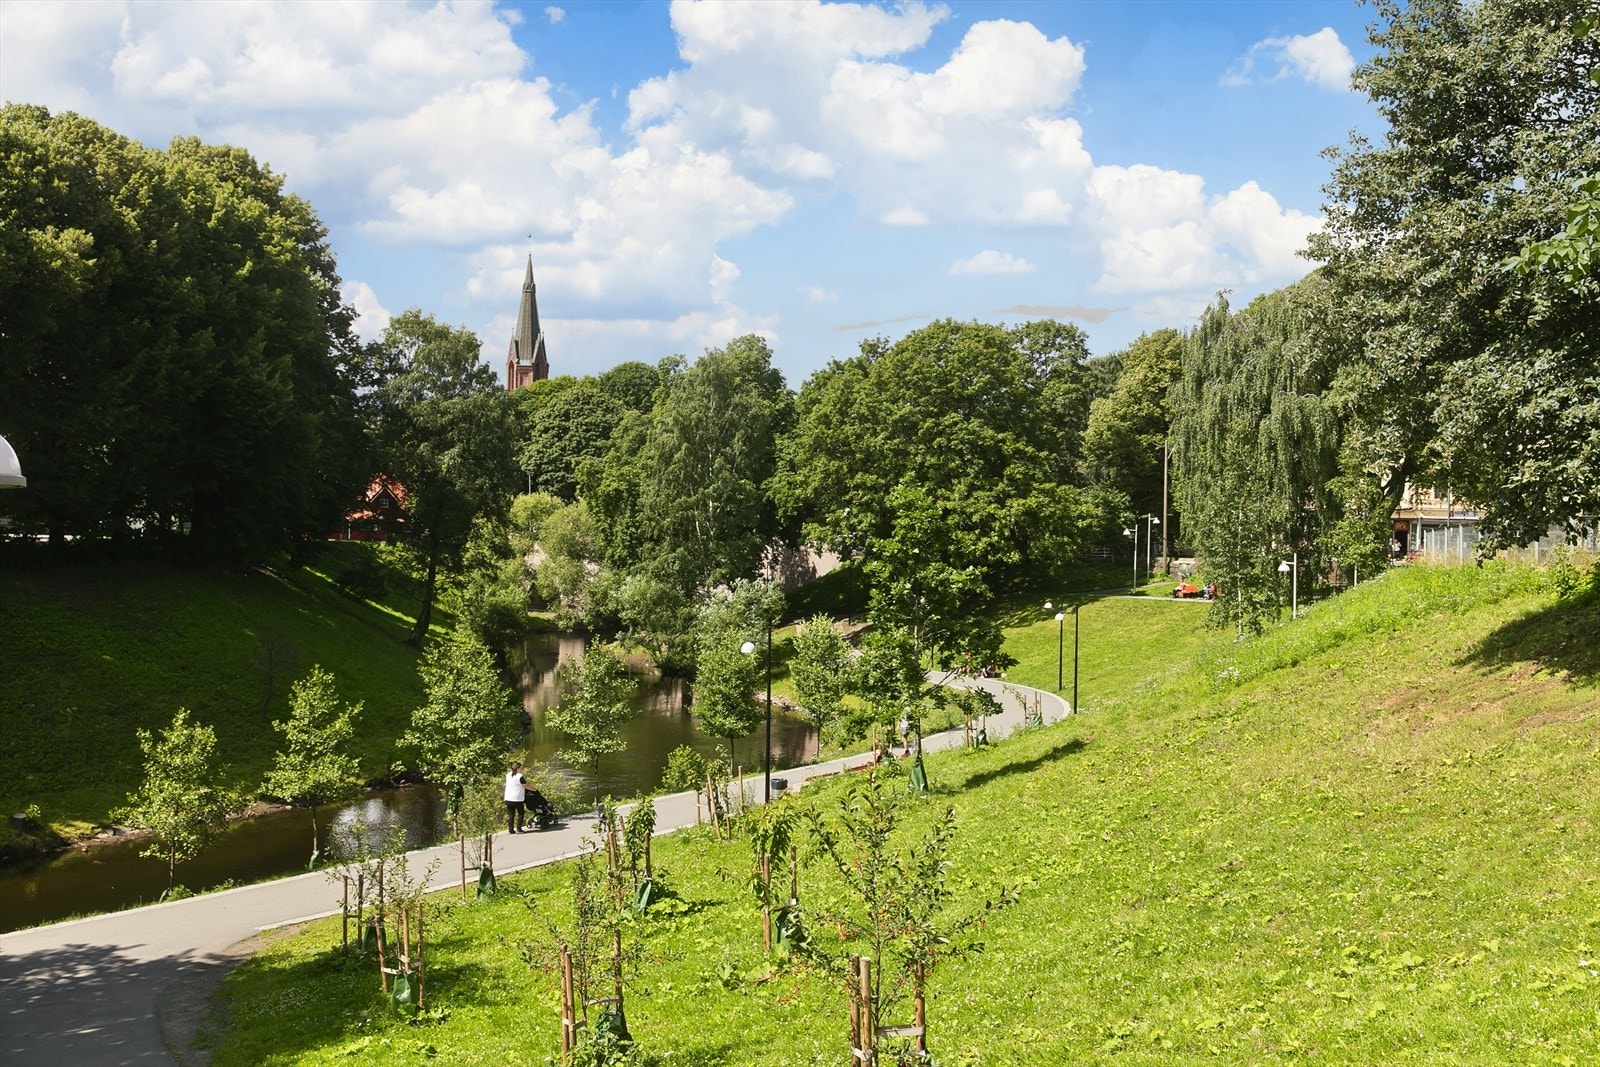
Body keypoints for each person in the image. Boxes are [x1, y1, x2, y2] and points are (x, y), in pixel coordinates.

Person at [503, 761, 526, 835]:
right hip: (517, 798)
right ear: (518, 768)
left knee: (511, 814)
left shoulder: (507, 775)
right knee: (521, 813)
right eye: (520, 768)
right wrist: (534, 789)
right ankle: (519, 829)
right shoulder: (519, 776)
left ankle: (511, 829)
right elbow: (525, 785)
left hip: (508, 798)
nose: (521, 769)